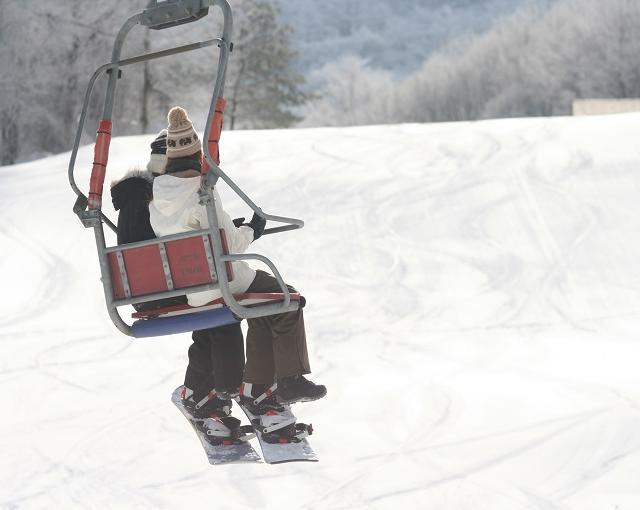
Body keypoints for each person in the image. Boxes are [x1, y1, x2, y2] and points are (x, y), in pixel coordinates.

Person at [149, 106, 327, 433]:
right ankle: (284, 380)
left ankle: (259, 385)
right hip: (225, 282)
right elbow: (229, 246)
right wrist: (252, 231)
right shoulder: (202, 193)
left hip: (194, 289)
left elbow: (200, 240)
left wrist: (233, 232)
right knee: (286, 297)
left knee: (265, 304)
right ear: (195, 156)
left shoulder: (157, 199)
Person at [110, 130, 246, 439]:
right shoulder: (154, 199)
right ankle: (218, 393)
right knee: (218, 304)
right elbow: (175, 245)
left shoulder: (135, 198)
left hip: (142, 292)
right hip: (164, 290)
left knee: (210, 314)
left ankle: (201, 395)